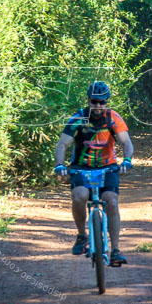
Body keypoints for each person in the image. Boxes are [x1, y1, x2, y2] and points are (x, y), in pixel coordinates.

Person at [53, 81, 134, 266]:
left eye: (102, 102)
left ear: (106, 102)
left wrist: (127, 159)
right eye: (94, 102)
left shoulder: (113, 118)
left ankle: (115, 250)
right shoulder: (78, 118)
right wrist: (59, 164)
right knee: (79, 196)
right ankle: (82, 236)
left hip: (108, 167)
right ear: (88, 101)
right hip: (81, 167)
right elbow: (62, 144)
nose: (98, 106)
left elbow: (126, 142)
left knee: (111, 201)